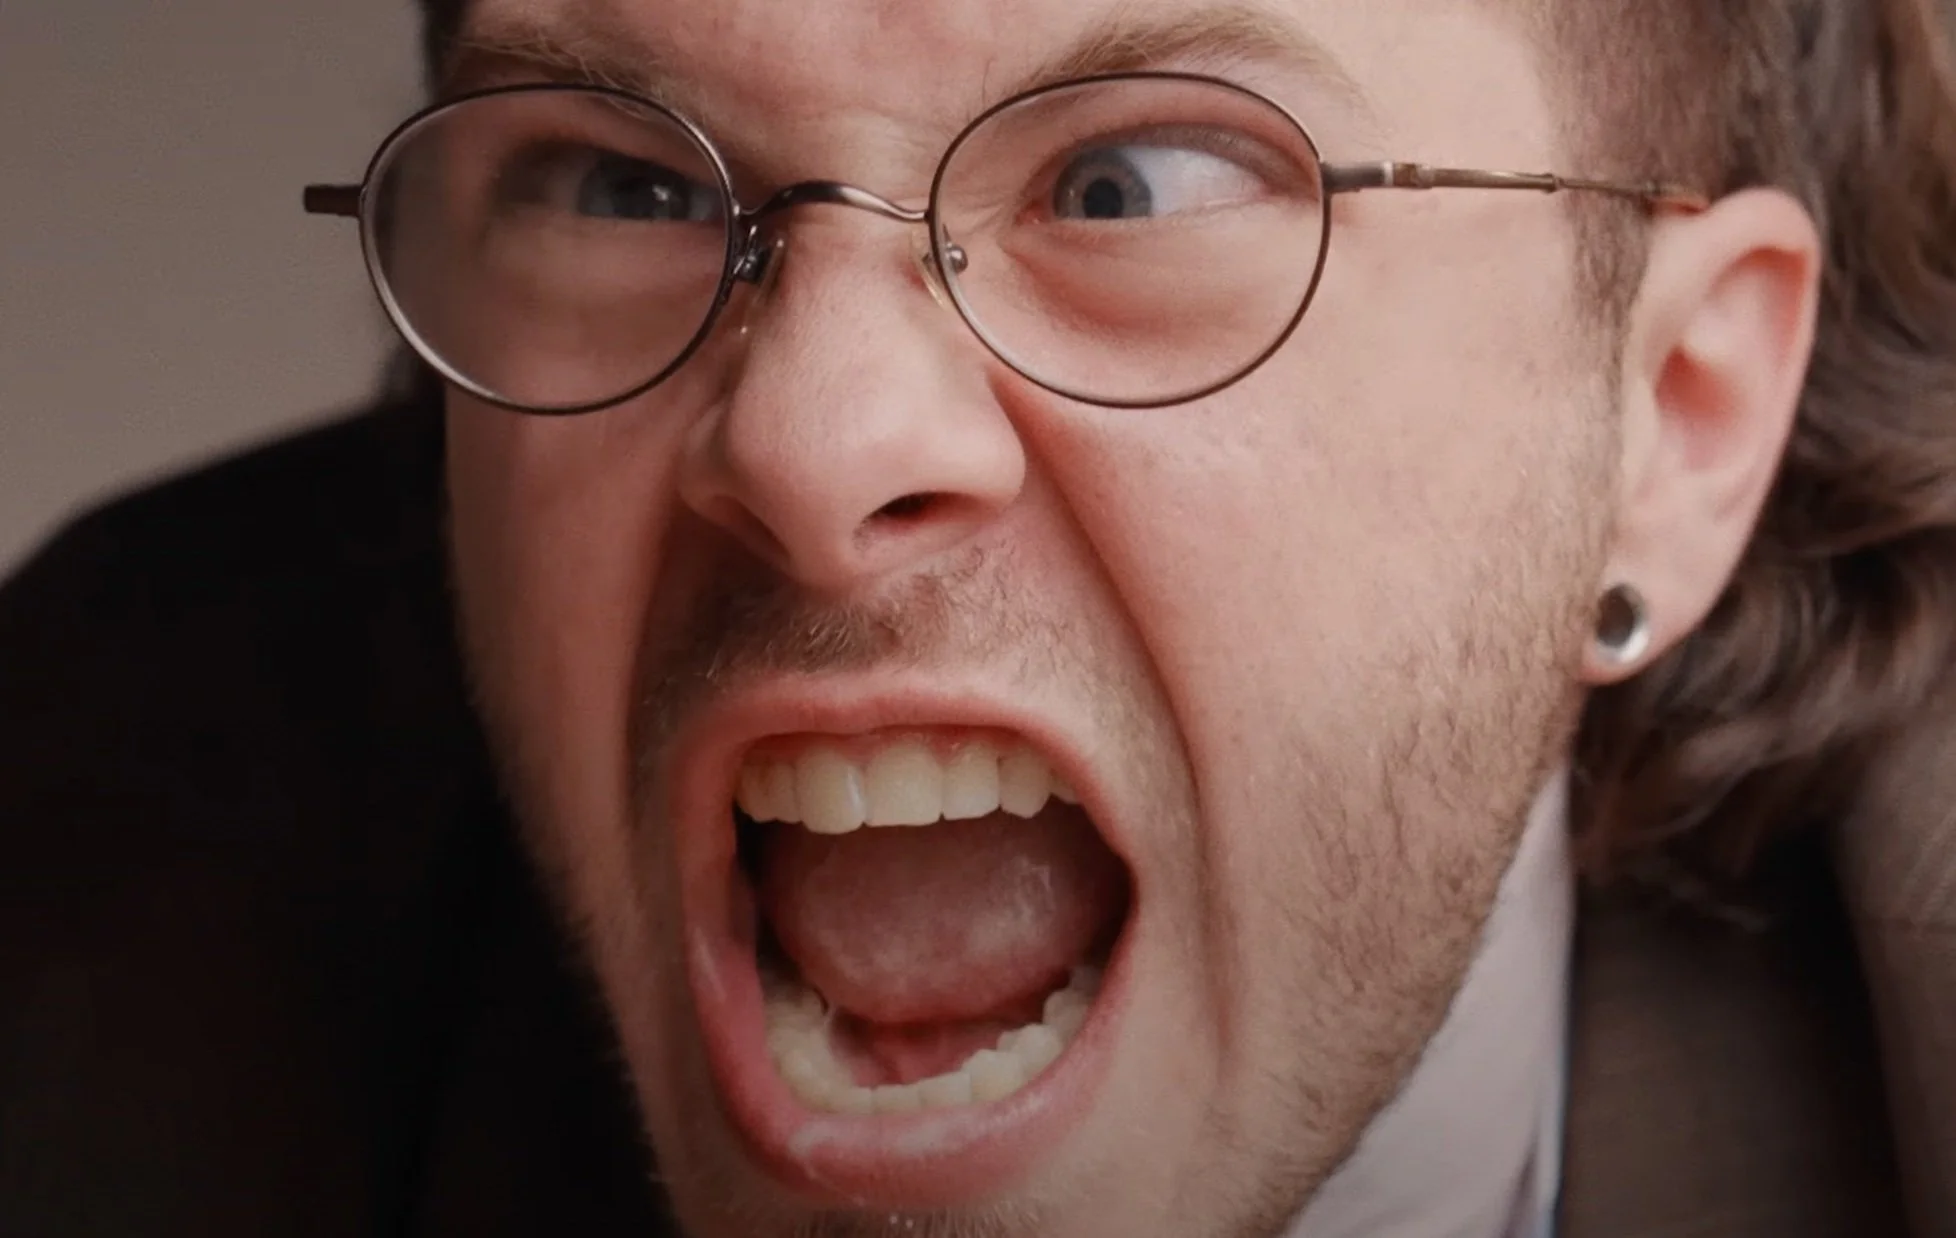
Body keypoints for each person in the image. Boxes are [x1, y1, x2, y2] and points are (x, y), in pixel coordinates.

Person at [4, 0, 1955, 1234]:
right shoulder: (87, 907)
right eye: (622, 186)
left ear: (1674, 415)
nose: (809, 440)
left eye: (1133, 182)